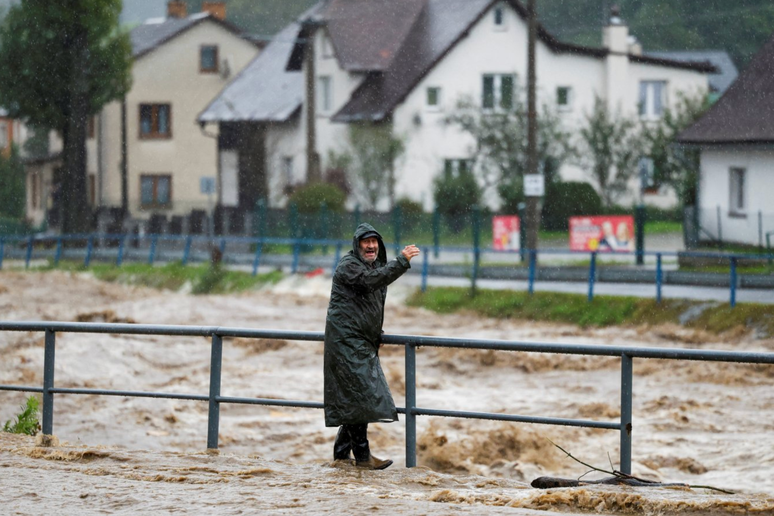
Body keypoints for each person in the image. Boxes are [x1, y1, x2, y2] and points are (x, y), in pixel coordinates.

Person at [324, 223, 420, 470]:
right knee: (363, 397)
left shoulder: (373, 265)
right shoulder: (349, 266)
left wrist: (375, 332)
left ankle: (342, 457)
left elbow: (368, 302)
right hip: (347, 343)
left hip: (360, 342)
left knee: (358, 399)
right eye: (365, 242)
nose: (370, 246)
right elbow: (369, 282)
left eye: (374, 242)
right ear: (357, 245)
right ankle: (363, 457)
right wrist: (401, 262)